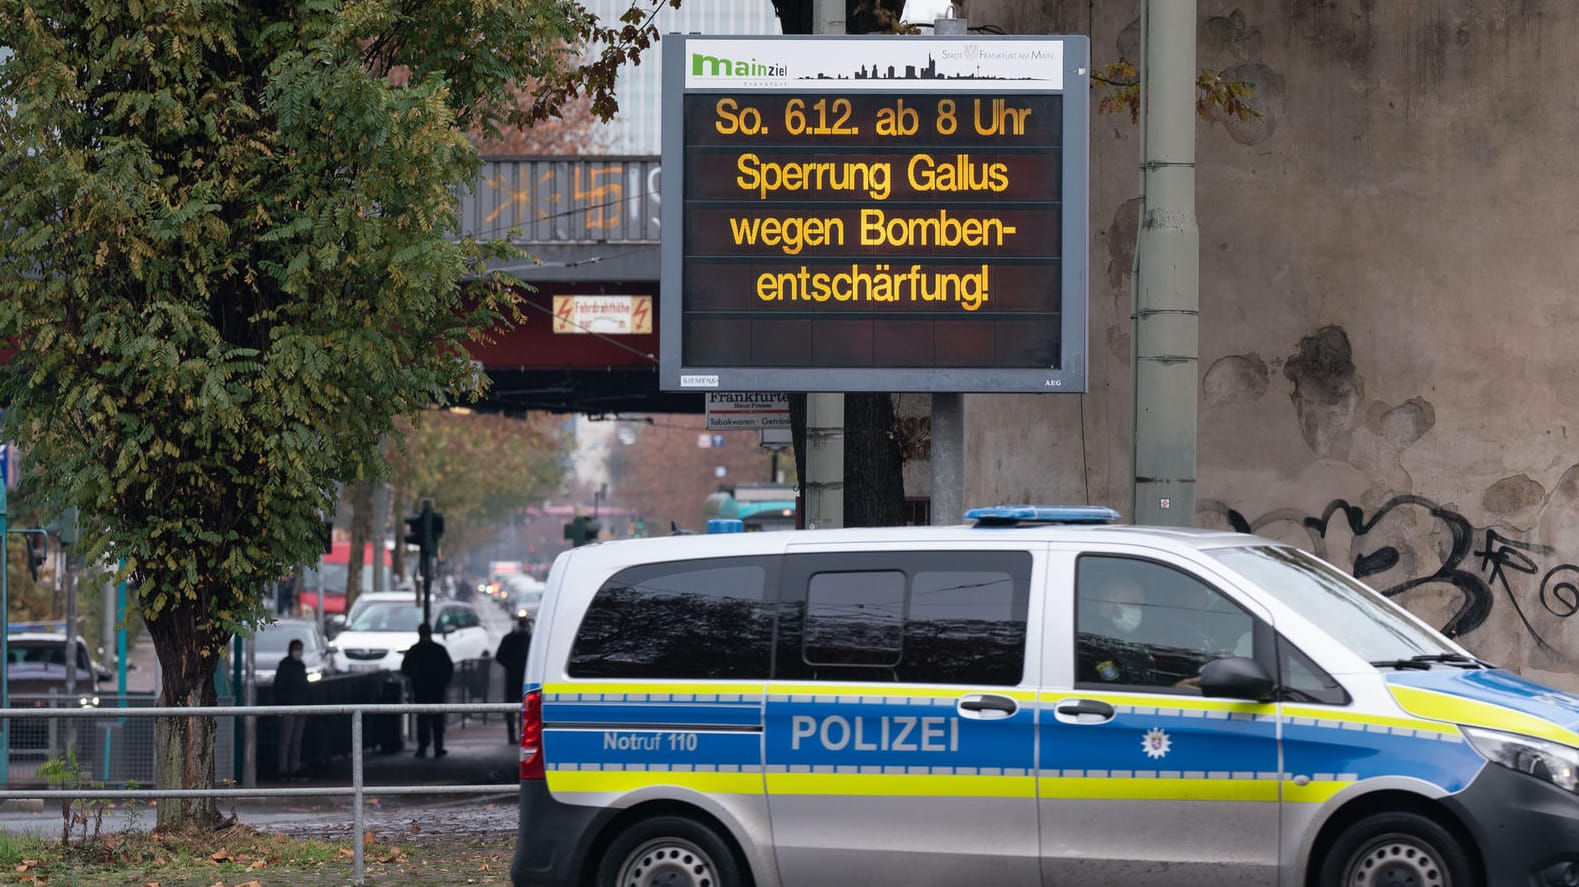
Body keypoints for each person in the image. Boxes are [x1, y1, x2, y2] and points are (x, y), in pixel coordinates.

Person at [400, 622, 454, 758]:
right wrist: (442, 682)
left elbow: (405, 668)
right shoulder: (438, 649)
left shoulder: (414, 650)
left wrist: (415, 679)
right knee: (437, 720)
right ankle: (438, 747)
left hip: (421, 690)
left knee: (422, 720)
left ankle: (423, 748)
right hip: (436, 690)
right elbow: (449, 668)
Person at [273, 638, 310, 781]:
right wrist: (284, 703)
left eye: (300, 648)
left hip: (300, 707)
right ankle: (282, 769)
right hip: (288, 707)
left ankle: (294, 768)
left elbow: (304, 687)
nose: (299, 652)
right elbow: (279, 687)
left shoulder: (300, 665)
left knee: (296, 741)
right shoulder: (285, 665)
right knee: (286, 740)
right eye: (297, 648)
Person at [494, 616, 533, 742]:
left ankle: (519, 735)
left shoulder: (524, 638)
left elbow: (500, 656)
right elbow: (499, 656)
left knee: (520, 708)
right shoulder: (526, 639)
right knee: (515, 708)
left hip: (519, 678)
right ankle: (514, 735)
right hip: (519, 678)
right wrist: (512, 666)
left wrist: (510, 666)